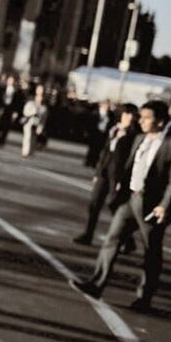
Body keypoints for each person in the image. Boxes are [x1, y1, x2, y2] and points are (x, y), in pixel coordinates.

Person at [71, 100, 171, 312]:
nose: (141, 121)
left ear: (160, 121)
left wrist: (164, 205)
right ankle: (97, 284)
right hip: (130, 200)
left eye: (147, 118)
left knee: (151, 251)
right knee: (112, 239)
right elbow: (128, 165)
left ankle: (144, 298)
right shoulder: (139, 139)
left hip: (151, 207)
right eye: (141, 117)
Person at [73, 103, 139, 246]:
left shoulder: (134, 135)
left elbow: (130, 159)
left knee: (114, 205)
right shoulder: (114, 129)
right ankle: (88, 234)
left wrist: (123, 179)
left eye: (132, 115)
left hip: (118, 175)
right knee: (94, 204)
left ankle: (128, 240)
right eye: (127, 114)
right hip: (104, 171)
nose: (129, 118)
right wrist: (97, 172)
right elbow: (105, 152)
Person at [0, 74, 25, 147]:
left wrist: (15, 112)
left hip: (10, 110)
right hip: (2, 109)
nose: (10, 82)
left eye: (12, 81)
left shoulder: (17, 91)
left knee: (6, 127)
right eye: (9, 80)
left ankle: (2, 142)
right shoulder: (2, 89)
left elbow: (18, 103)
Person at [85, 99, 115, 167]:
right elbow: (90, 122)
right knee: (92, 147)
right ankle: (88, 161)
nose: (107, 106)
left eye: (108, 105)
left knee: (99, 148)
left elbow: (111, 123)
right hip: (95, 132)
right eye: (106, 105)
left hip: (103, 133)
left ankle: (94, 162)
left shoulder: (110, 114)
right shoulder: (96, 112)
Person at [21, 85, 49, 157]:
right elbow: (26, 111)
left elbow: (44, 116)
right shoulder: (30, 100)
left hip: (37, 122)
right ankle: (25, 151)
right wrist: (33, 112)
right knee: (27, 137)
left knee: (33, 138)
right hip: (29, 121)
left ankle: (31, 151)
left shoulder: (45, 103)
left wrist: (41, 126)